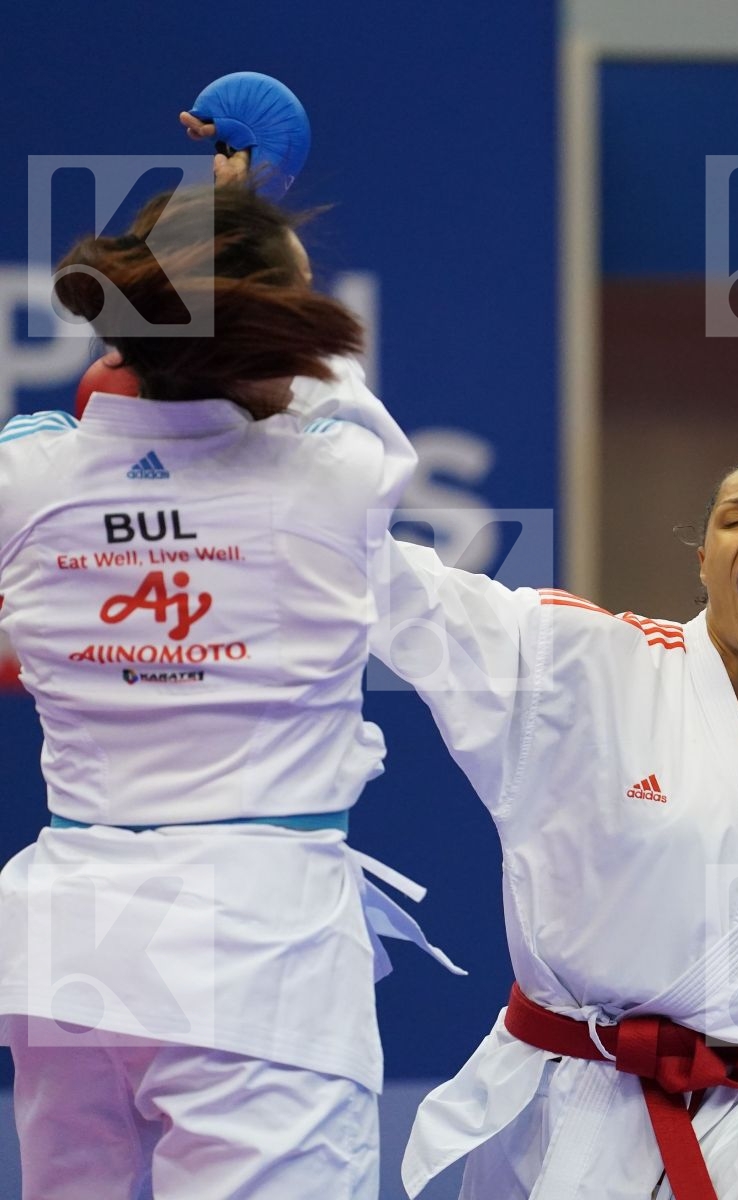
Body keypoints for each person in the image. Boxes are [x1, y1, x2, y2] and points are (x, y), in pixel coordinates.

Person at [321, 391, 738, 1196]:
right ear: (705, 560)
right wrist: (291, 472)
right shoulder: (588, 666)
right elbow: (413, 598)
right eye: (737, 516)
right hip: (572, 1101)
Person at [0, 185, 458, 1199]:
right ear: (279, 324)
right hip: (255, 951)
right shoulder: (339, 475)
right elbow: (318, 378)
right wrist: (237, 221)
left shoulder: (26, 476)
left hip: (65, 951)